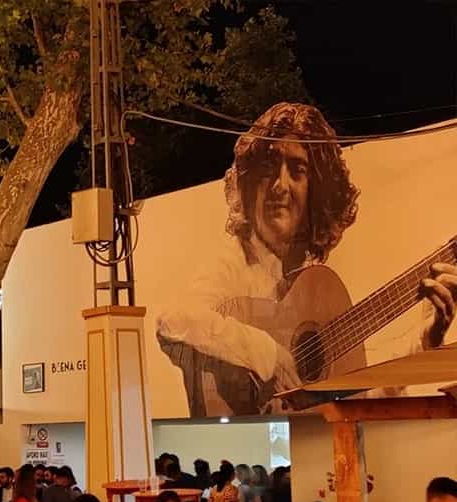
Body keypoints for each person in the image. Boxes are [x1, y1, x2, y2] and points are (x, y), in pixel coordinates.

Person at [156, 102, 457, 416]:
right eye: (268, 168)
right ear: (249, 182)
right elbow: (174, 318)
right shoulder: (234, 262)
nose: (280, 186)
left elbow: (358, 403)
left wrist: (425, 340)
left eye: (297, 170)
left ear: (318, 190)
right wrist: (268, 353)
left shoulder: (315, 290)